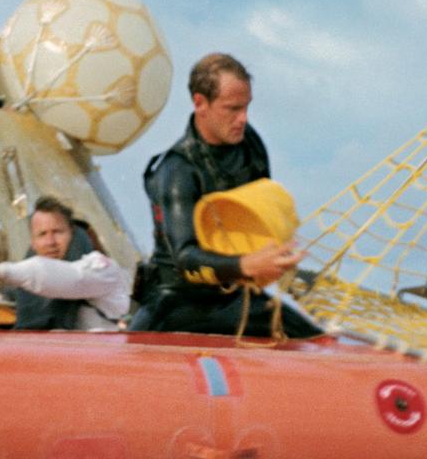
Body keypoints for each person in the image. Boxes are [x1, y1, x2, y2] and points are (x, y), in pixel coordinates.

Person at [129, 52, 320, 338]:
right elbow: (185, 260)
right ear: (200, 103)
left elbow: (259, 220)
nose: (242, 119)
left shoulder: (250, 146)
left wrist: (272, 260)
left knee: (314, 338)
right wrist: (246, 265)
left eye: (246, 108)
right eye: (232, 109)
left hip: (233, 295)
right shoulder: (176, 171)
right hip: (177, 300)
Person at [0, 196, 129, 331]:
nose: (50, 242)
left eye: (58, 232)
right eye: (42, 234)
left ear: (73, 234)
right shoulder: (25, 284)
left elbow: (69, 278)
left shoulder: (103, 271)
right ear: (33, 243)